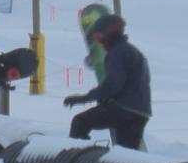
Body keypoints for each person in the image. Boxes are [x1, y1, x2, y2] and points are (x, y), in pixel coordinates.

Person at [63, 15, 151, 150]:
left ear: (108, 34)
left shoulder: (117, 53)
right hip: (141, 112)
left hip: (123, 109)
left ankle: (77, 161)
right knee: (126, 154)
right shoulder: (133, 52)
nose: (100, 42)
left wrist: (85, 98)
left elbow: (113, 85)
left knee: (80, 122)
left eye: (99, 37)